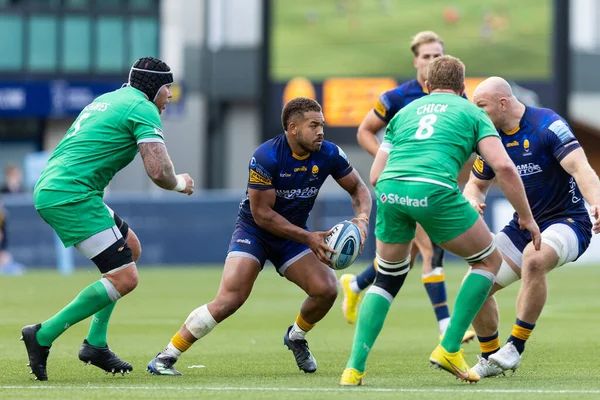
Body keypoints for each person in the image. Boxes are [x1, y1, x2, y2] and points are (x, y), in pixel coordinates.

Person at [339, 56, 540, 385]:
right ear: (463, 89)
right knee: (489, 261)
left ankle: (353, 369)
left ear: (428, 86)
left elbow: (375, 174)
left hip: (390, 192)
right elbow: (503, 167)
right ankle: (449, 346)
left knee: (387, 279)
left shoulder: (403, 113)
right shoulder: (472, 112)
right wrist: (528, 219)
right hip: (434, 191)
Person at [147, 97, 372, 376]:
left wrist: (361, 221)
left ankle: (296, 336)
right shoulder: (266, 157)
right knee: (230, 299)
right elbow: (262, 214)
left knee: (326, 289)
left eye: (322, 125)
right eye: (314, 126)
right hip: (255, 231)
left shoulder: (329, 153)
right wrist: (308, 238)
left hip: (293, 237)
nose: (321, 131)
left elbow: (359, 189)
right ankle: (166, 356)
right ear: (292, 128)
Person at [21, 57, 194, 381]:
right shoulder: (142, 107)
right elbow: (158, 171)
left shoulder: (109, 99)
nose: (170, 94)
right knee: (125, 278)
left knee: (131, 248)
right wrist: (181, 183)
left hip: (65, 188)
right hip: (70, 195)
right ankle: (42, 335)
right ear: (153, 87)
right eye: (167, 87)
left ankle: (95, 343)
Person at [341, 31, 474, 344]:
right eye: (426, 56)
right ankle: (446, 327)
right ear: (416, 60)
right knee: (431, 248)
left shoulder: (455, 97)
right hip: (402, 185)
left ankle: (356, 285)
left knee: (405, 258)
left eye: (437, 56)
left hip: (435, 186)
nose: (432, 61)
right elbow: (365, 132)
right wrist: (390, 159)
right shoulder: (398, 97)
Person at [463, 77, 600, 377]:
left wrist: (597, 201)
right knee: (475, 285)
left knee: (534, 259)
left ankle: (514, 347)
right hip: (523, 225)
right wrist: (472, 199)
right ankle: (490, 357)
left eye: (481, 106)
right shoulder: (491, 139)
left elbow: (580, 168)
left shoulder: (547, 125)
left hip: (568, 221)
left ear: (502, 103)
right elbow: (475, 185)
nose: (477, 113)